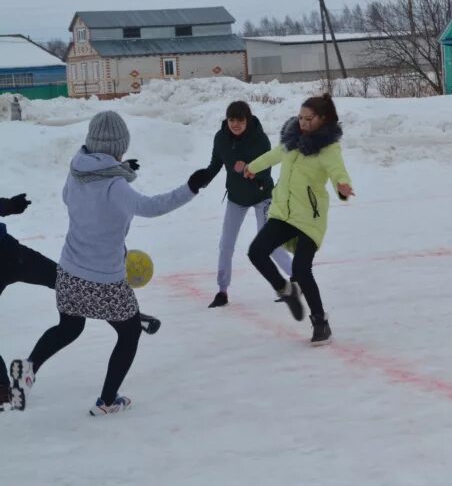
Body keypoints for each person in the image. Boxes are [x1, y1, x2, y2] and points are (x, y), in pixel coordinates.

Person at [9, 111, 208, 415]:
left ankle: (27, 370)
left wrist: (119, 171)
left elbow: (68, 197)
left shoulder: (76, 171)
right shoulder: (116, 187)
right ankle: (107, 400)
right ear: (119, 146)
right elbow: (149, 207)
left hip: (70, 271)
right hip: (104, 278)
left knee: (70, 326)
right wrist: (190, 188)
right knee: (128, 334)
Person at [0, 193, 161, 412]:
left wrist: (8, 206)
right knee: (70, 287)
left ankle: (10, 383)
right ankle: (129, 317)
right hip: (9, 253)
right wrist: (7, 206)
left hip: (8, 252)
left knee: (70, 295)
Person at [243, 94, 354, 346]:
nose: (302, 122)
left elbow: (338, 171)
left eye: (308, 119)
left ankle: (320, 322)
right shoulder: (292, 141)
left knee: (303, 268)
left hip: (309, 218)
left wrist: (343, 186)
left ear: (322, 119)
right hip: (283, 212)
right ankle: (285, 290)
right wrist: (253, 166)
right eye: (300, 117)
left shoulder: (328, 148)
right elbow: (273, 155)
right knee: (256, 252)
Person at [199, 101, 292, 308]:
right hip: (236, 197)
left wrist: (249, 168)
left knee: (270, 244)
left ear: (247, 120)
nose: (235, 124)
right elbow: (215, 164)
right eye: (232, 120)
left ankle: (297, 278)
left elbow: (266, 170)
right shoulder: (221, 138)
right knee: (226, 245)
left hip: (263, 196)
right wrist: (201, 180)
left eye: (240, 120)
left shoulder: (259, 139)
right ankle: (222, 291)